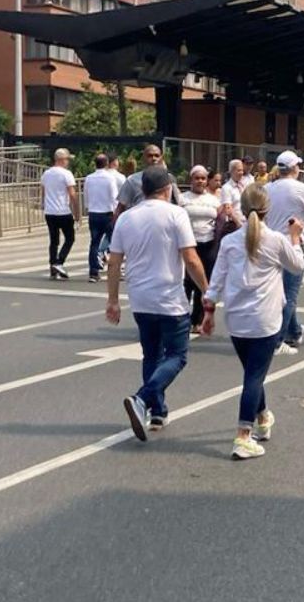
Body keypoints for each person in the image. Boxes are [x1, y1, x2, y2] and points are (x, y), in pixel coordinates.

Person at [202, 184, 304, 460]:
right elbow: (297, 265)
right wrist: (295, 236)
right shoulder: (277, 240)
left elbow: (217, 279)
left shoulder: (230, 241)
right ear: (268, 210)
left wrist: (209, 310)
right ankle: (243, 435)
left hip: (236, 318)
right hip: (265, 318)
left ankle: (262, 416)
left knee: (252, 373)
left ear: (242, 211)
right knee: (253, 377)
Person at [107, 166, 209, 441]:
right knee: (177, 355)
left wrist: (113, 300)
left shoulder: (126, 218)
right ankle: (142, 399)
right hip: (170, 299)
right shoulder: (176, 214)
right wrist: (206, 291)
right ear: (167, 189)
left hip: (140, 299)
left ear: (142, 190)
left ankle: (158, 411)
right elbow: (190, 258)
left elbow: (114, 262)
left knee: (151, 355)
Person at [265, 151, 304, 354]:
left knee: (278, 292)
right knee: (290, 293)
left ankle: (293, 331)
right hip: (293, 243)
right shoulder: (303, 190)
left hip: (270, 244)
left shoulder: (266, 189)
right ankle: (277, 340)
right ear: (294, 168)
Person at [179, 165, 221, 334]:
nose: (200, 181)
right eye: (197, 178)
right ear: (191, 180)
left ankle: (197, 320)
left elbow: (219, 222)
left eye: (203, 178)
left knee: (203, 283)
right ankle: (181, 319)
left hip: (208, 244)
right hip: (188, 244)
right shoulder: (182, 199)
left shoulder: (214, 200)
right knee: (185, 283)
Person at [41, 148, 78, 280]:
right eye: (67, 159)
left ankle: (52, 266)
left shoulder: (46, 174)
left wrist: (43, 205)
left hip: (50, 212)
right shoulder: (66, 174)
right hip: (63, 211)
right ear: (62, 160)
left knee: (54, 240)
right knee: (70, 238)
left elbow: (43, 192)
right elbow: (72, 194)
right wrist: (77, 212)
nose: (68, 162)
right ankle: (59, 262)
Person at [83, 153, 119, 283]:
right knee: (114, 242)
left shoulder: (89, 178)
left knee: (94, 242)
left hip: (93, 213)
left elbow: (86, 196)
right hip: (107, 213)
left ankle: (93, 272)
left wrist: (88, 208)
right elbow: (114, 197)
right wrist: (116, 212)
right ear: (107, 163)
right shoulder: (110, 178)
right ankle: (115, 269)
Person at [116, 144, 179, 214]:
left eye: (157, 156)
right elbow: (120, 207)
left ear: (161, 158)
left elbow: (177, 202)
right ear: (143, 159)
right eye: (150, 156)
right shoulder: (132, 180)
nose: (154, 158)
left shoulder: (169, 178)